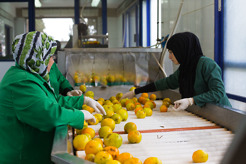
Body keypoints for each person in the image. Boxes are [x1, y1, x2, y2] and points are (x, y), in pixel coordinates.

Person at [0, 31, 105, 164]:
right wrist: (79, 115)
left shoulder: (31, 75)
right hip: (22, 157)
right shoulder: (21, 82)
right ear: (37, 57)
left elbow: (50, 101)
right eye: (49, 56)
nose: (52, 60)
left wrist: (82, 100)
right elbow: (49, 114)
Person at [122, 32, 231, 110]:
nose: (169, 57)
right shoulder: (185, 68)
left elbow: (218, 92)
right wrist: (136, 91)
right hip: (204, 113)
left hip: (222, 114)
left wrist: (190, 101)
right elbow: (165, 83)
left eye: (171, 52)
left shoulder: (207, 65)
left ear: (182, 50)